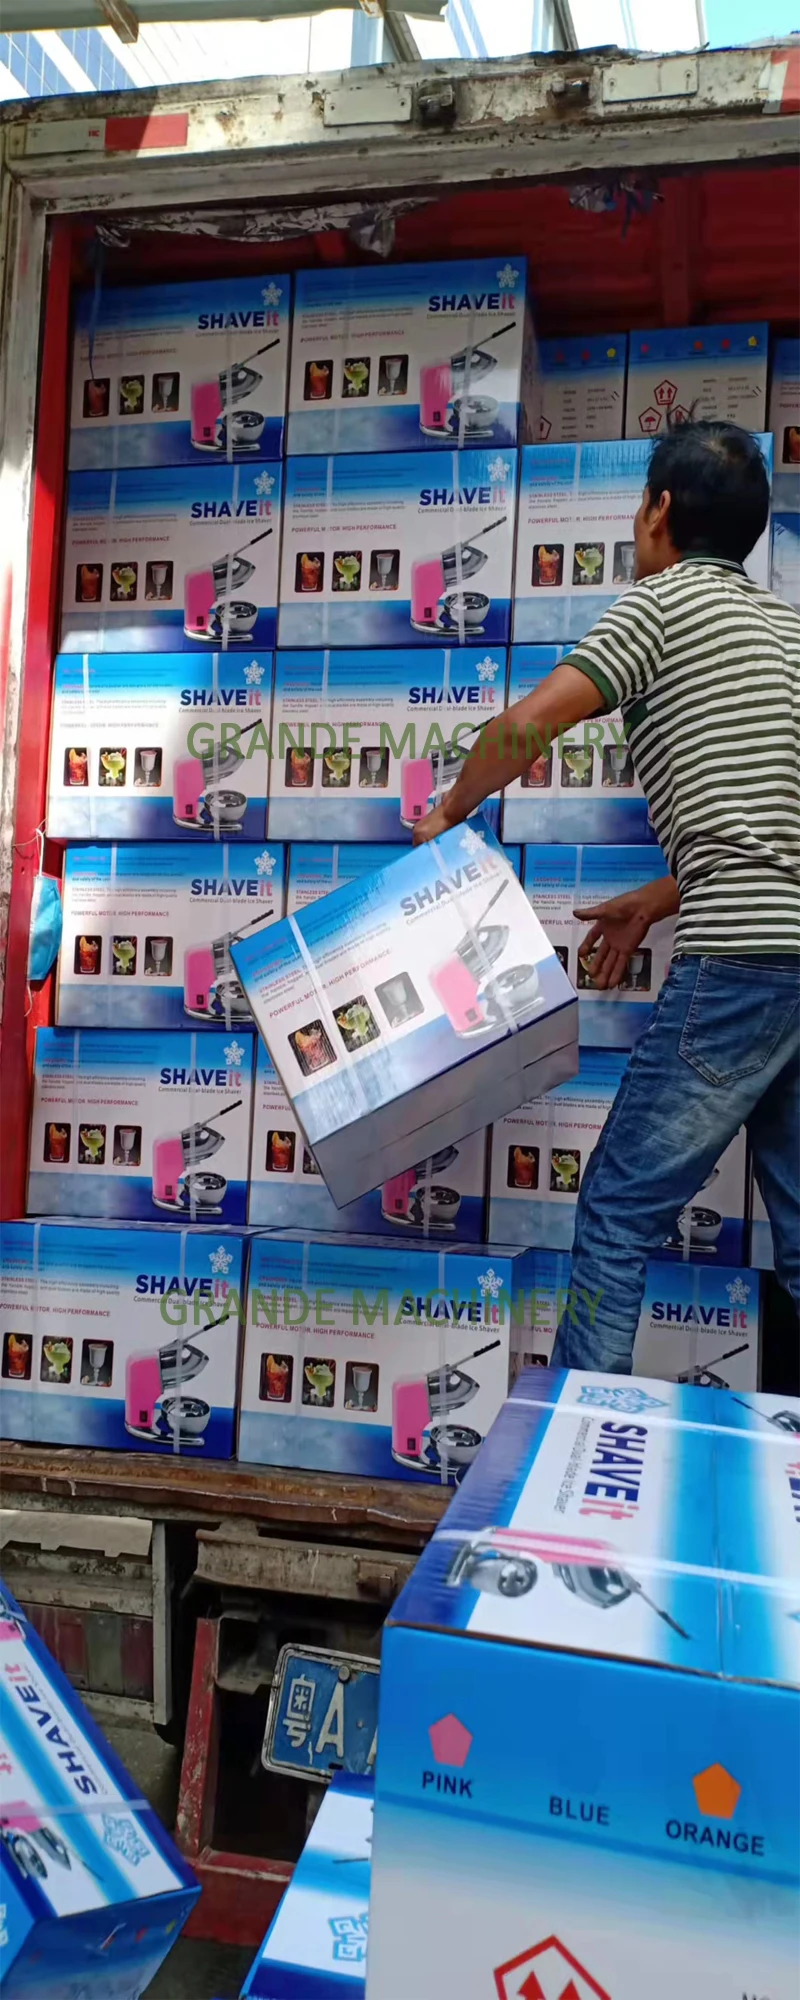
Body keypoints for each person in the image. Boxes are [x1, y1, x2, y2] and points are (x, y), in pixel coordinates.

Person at [413, 421, 800, 1373]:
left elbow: (526, 729)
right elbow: (776, 830)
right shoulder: (791, 633)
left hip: (742, 966)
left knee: (620, 1208)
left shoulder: (658, 606)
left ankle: (585, 1437)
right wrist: (663, 897)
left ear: (660, 510)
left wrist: (450, 813)